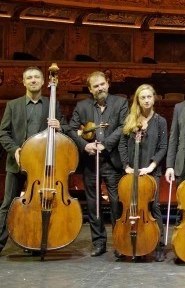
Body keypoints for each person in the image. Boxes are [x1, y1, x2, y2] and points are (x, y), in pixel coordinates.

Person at [0, 67, 66, 261]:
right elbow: (3, 133)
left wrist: (60, 126)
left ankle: (36, 241)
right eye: (29, 77)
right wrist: (15, 150)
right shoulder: (12, 105)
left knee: (39, 203)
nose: (33, 80)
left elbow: (64, 132)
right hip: (17, 162)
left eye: (36, 77)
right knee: (8, 204)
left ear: (42, 81)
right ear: (23, 82)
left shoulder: (52, 104)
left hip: (42, 165)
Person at [68, 71, 128, 257]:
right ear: (90, 89)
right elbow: (71, 128)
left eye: (102, 84)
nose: (100, 88)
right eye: (96, 86)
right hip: (90, 162)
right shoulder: (82, 106)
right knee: (94, 204)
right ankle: (99, 242)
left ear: (108, 84)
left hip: (112, 159)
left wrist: (105, 144)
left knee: (116, 202)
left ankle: (119, 241)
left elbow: (123, 127)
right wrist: (85, 146)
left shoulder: (120, 103)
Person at [118, 84, 168, 262]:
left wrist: (151, 166)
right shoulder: (130, 120)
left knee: (153, 207)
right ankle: (129, 242)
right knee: (130, 205)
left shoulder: (160, 121)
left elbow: (163, 147)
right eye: (143, 97)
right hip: (132, 171)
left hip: (150, 171)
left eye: (149, 97)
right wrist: (126, 166)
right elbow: (122, 144)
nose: (146, 100)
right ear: (137, 100)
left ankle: (159, 245)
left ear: (154, 98)